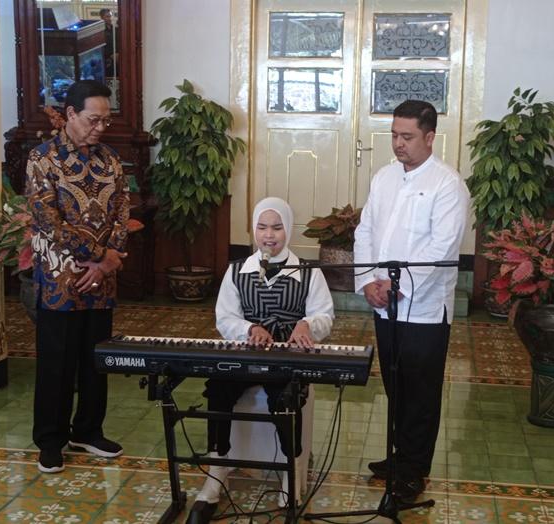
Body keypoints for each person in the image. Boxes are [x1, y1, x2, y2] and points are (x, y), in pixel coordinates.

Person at [353, 100, 469, 502]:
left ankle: (413, 471)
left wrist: (396, 286)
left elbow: (442, 248)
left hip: (423, 309)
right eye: (394, 135)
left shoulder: (447, 184)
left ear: (430, 137)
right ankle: (399, 456)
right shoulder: (384, 177)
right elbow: (365, 231)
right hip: (383, 302)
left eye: (407, 136)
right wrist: (367, 281)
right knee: (395, 383)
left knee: (420, 391)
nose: (398, 144)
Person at [193, 197, 334, 511]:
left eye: (277, 227)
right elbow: (224, 318)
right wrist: (249, 329)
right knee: (217, 388)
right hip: (246, 354)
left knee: (285, 398)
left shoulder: (309, 272)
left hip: (287, 357)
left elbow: (325, 315)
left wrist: (307, 324)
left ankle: (290, 472)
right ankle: (217, 470)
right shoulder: (236, 271)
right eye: (262, 227)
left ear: (288, 229)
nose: (269, 235)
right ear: (253, 230)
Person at [26, 80, 129, 473]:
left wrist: (108, 262)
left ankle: (88, 430)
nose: (100, 127)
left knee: (95, 359)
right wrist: (100, 256)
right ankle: (50, 440)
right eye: (92, 120)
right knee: (57, 362)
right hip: (60, 279)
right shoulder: (43, 159)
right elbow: (48, 221)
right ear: (70, 114)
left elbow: (122, 211)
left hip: (102, 279)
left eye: (105, 120)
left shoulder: (111, 160)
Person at [99, 8, 118, 78]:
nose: (110, 18)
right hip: (107, 58)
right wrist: (110, 55)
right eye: (107, 16)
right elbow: (102, 47)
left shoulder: (115, 29)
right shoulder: (101, 31)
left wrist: (117, 53)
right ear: (102, 18)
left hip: (117, 56)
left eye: (110, 16)